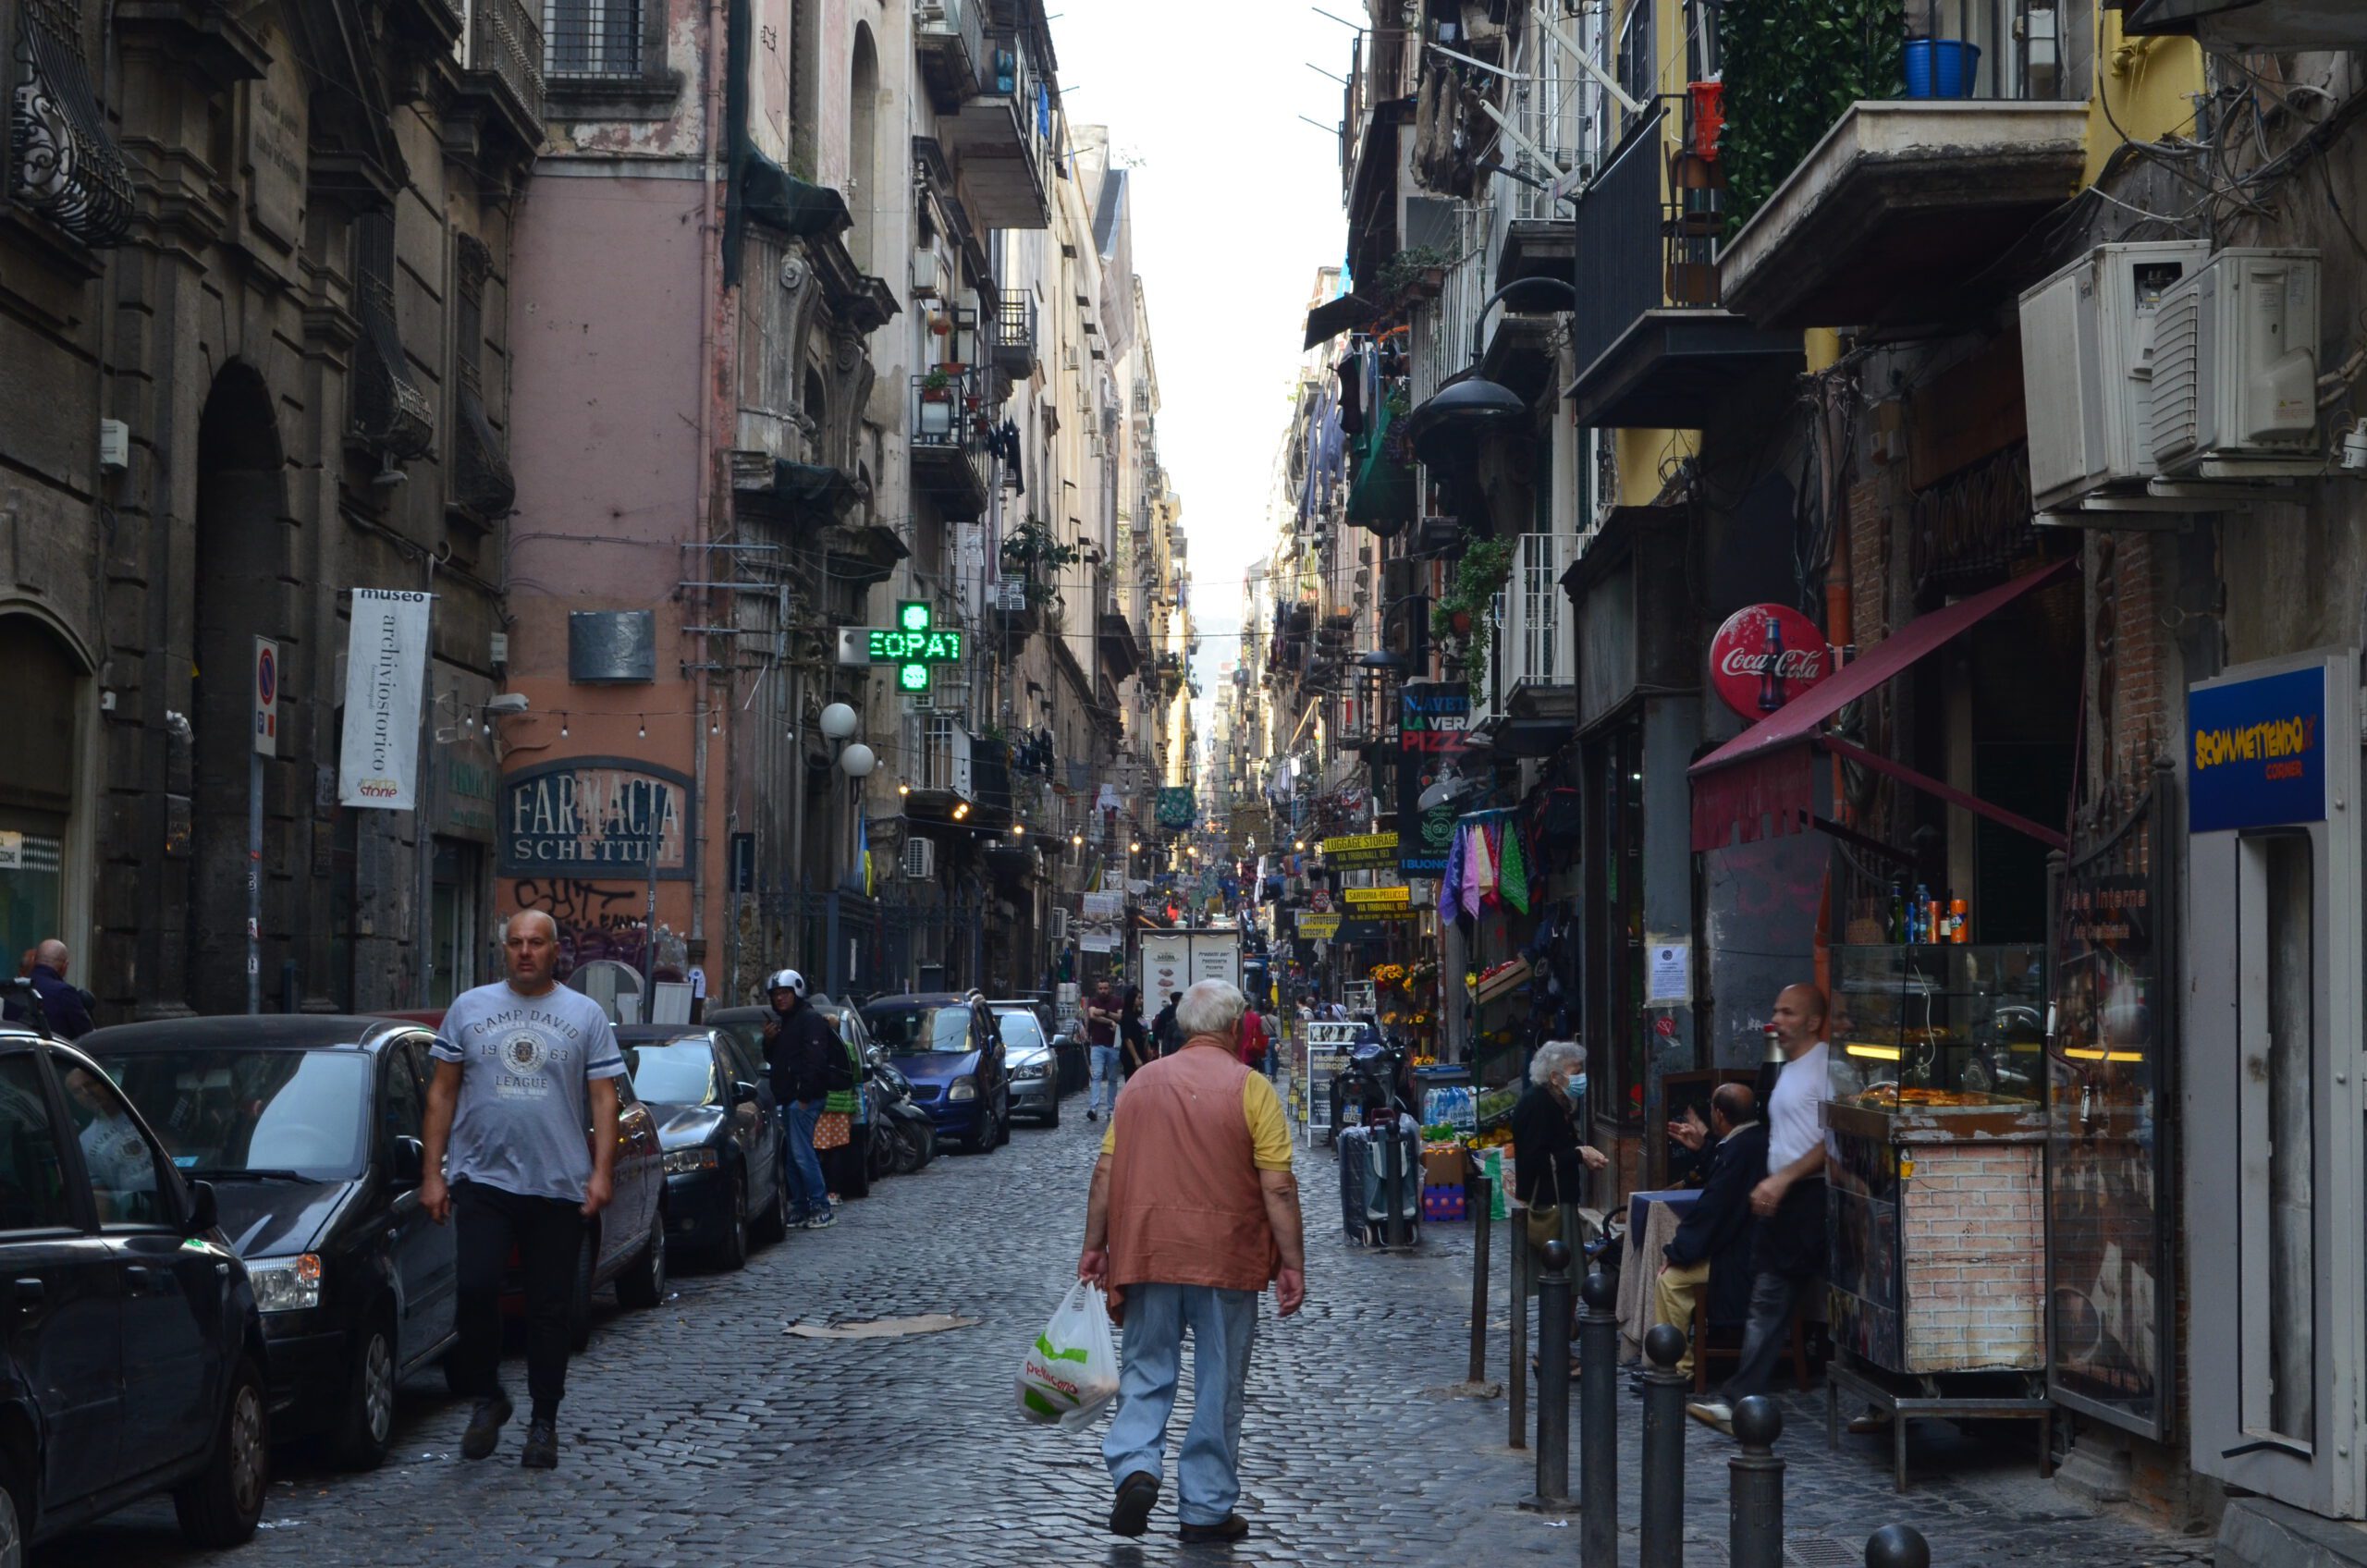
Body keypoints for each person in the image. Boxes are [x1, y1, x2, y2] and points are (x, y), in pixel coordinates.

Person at [1079, 979, 1305, 1544]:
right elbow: (1277, 1188)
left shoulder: (1139, 1087)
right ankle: (1204, 1510)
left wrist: (1094, 1247)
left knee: (1145, 1369)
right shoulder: (1252, 1090)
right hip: (1227, 1258)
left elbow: (1106, 1172)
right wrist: (1293, 1263)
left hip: (1149, 1249)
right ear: (1234, 1030)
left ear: (1184, 1028)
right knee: (1219, 1384)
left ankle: (1135, 1468)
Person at [421, 910, 624, 1469]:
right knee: (476, 1289)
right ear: (503, 950)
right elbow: (441, 1093)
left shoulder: (585, 1015)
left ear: (556, 951)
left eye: (536, 943)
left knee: (549, 1309)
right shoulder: (469, 1008)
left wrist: (601, 1171)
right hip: (482, 1178)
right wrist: (432, 1173)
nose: (525, 952)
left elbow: (604, 1098)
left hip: (558, 1184)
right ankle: (488, 1396)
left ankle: (544, 1421)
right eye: (515, 944)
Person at [1689, 983, 1829, 1434]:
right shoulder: (1788, 1069)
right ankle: (1741, 1395)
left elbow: (1832, 1141)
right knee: (1771, 1300)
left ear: (1812, 1021)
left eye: (1788, 1013)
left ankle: (1739, 1399)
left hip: (1807, 1197)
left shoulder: (1824, 1068)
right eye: (1775, 1010)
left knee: (1773, 1301)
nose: (1777, 1021)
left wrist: (1785, 1177)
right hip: (1783, 1200)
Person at [1649, 1083, 1765, 1385]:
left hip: (1742, 1258)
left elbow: (1714, 1211)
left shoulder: (1740, 1148)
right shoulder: (1749, 1141)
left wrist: (1677, 1254)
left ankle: (1677, 1369)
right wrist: (1704, 1148)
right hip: (1749, 1249)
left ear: (1718, 1114)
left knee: (1670, 1281)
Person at [1509, 1041, 1608, 1244]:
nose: (1581, 1077)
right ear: (1554, 1077)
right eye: (1576, 1071)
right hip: (1547, 1204)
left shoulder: (1554, 1101)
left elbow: (1560, 1142)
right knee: (1555, 1264)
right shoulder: (1538, 1104)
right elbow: (1535, 1158)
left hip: (1558, 1199)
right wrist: (1580, 1154)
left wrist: (1582, 1150)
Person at [762, 968, 837, 1230]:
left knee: (803, 1154)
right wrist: (769, 1042)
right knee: (794, 1157)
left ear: (796, 991)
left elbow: (815, 1061)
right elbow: (778, 1060)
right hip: (788, 1098)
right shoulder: (786, 1023)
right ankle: (802, 1206)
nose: (780, 999)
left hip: (803, 1099)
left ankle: (821, 1205)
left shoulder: (809, 1020)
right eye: (775, 994)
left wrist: (805, 1095)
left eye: (784, 993)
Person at [3, 938, 93, 1039]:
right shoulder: (64, 993)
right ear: (64, 967)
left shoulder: (15, 990)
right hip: (55, 1054)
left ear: (35, 961)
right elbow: (87, 1035)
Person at [1085, 981, 1121, 1122]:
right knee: (1097, 1076)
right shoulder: (1093, 1000)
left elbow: (1120, 1017)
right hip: (1097, 1045)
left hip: (1113, 1045)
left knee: (1112, 1078)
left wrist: (1105, 1013)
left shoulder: (1118, 1001)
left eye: (1105, 988)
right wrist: (1110, 1021)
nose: (1103, 991)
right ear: (1097, 989)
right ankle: (1093, 1108)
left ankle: (1111, 1109)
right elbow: (1093, 1015)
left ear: (1110, 988)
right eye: (1100, 988)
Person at [1236, 1003, 1269, 1075]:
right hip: (1252, 1048)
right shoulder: (1256, 1017)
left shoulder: (1238, 1018)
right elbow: (1260, 1033)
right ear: (1251, 1008)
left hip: (1239, 1050)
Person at [1150, 991, 1181, 1059]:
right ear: (1179, 1000)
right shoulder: (1181, 1012)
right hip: (1180, 1043)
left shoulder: (1164, 1012)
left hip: (1166, 1042)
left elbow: (1157, 1028)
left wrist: (1154, 1044)